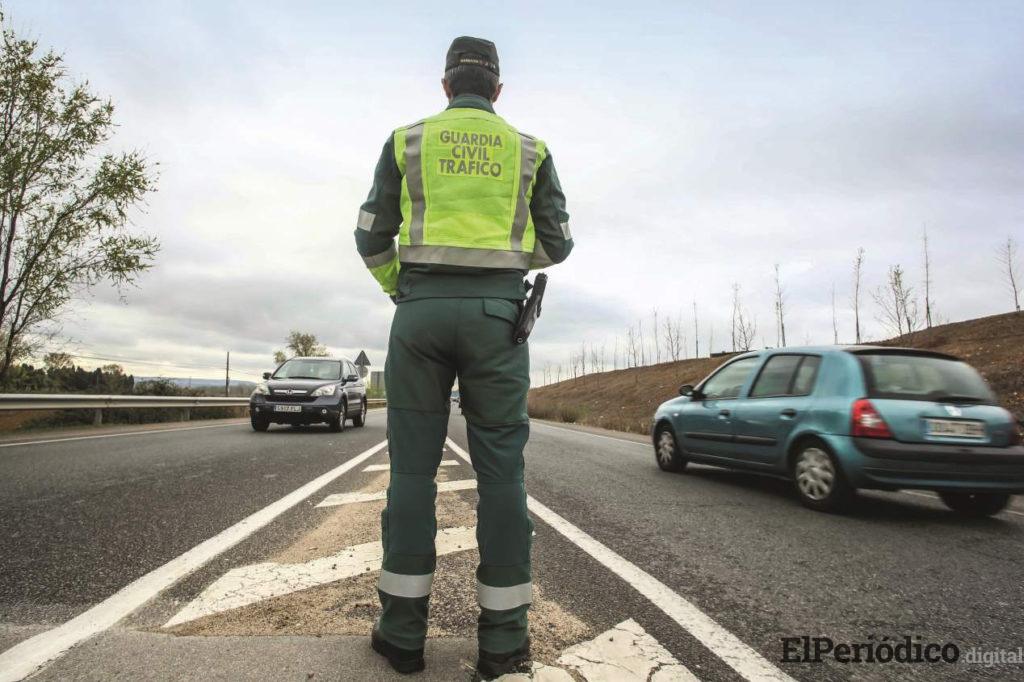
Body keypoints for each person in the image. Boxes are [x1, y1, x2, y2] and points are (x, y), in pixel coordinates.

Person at [354, 36, 573, 678]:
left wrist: (407, 286)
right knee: (503, 476)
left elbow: (370, 235)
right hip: (498, 322)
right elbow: (557, 243)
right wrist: (503, 274)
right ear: (497, 90)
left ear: (445, 86)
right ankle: (503, 646)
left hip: (418, 315)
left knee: (412, 476)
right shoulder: (531, 150)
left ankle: (401, 636)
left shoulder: (407, 141)